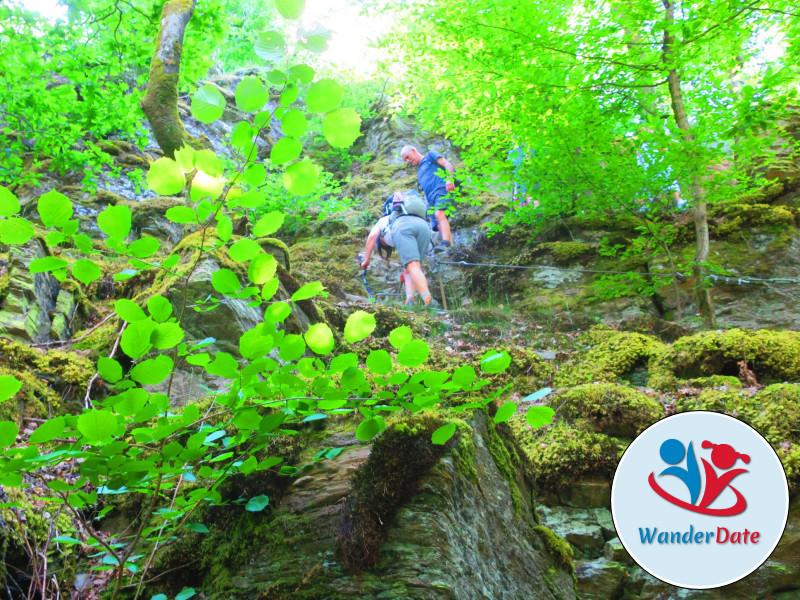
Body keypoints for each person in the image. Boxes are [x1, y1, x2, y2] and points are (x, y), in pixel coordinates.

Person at [361, 191, 437, 307]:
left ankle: (428, 300)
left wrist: (366, 259)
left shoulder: (385, 220)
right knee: (411, 268)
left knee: (412, 266)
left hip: (404, 226)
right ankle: (410, 301)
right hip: (424, 226)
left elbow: (372, 237)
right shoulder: (401, 215)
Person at [400, 145, 457, 253]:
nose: (407, 161)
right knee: (439, 225)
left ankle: (445, 243)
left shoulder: (430, 156)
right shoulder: (419, 172)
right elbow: (425, 191)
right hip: (431, 199)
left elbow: (448, 165)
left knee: (439, 214)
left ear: (413, 150)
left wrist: (450, 179)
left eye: (408, 157)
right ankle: (452, 250)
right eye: (405, 160)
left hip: (441, 189)